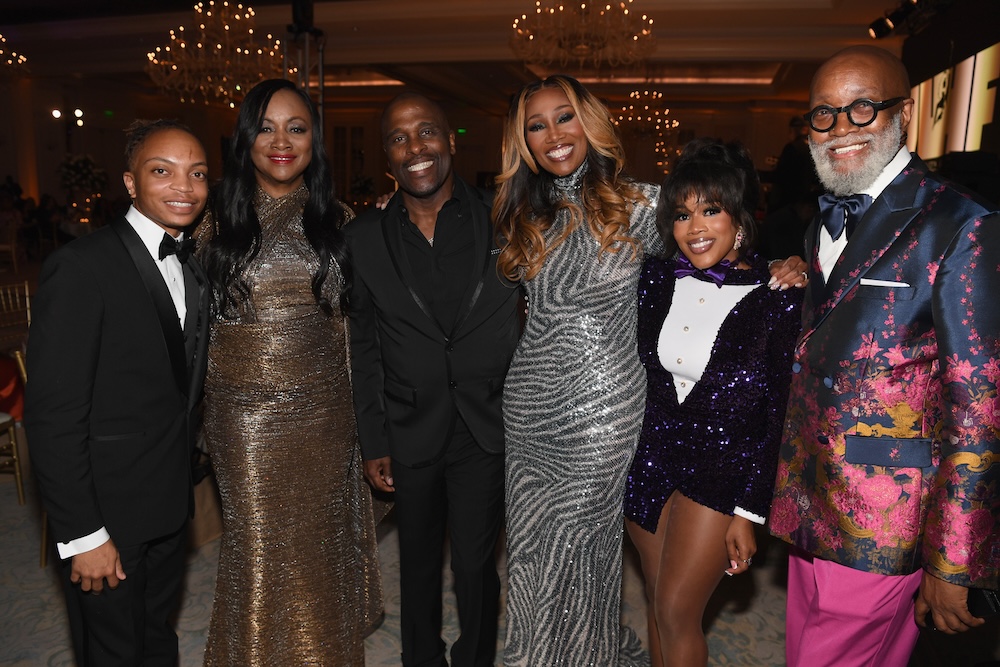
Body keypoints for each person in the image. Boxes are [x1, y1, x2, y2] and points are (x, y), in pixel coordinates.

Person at [492, 75, 807, 666]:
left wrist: (788, 264)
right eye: (537, 125)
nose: (553, 135)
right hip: (528, 414)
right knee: (533, 551)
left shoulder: (643, 205)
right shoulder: (521, 218)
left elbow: (714, 241)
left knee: (583, 552)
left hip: (602, 418)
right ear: (524, 142)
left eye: (565, 118)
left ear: (590, 123)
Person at [769, 45, 1000, 667]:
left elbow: (980, 404)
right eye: (824, 114)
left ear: (905, 111)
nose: (840, 129)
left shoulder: (960, 222)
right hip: (808, 496)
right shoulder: (822, 221)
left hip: (887, 515)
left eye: (862, 109)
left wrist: (955, 557)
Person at [198, 79, 382, 665]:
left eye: (296, 128)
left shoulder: (344, 221)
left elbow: (365, 325)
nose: (282, 141)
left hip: (328, 418)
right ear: (244, 139)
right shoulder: (210, 223)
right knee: (257, 555)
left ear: (314, 141)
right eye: (267, 128)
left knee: (319, 553)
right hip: (243, 421)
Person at [25, 119, 210, 666]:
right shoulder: (81, 267)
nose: (184, 187)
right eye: (163, 171)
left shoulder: (194, 265)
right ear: (130, 183)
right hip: (105, 512)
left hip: (168, 504)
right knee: (111, 652)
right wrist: (83, 534)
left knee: (156, 639)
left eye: (197, 174)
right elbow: (53, 417)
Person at [346, 92, 522, 667]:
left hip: (487, 426)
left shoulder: (507, 218)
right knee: (416, 564)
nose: (414, 147)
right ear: (387, 156)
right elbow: (363, 344)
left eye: (426, 133)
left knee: (474, 566)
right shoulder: (364, 236)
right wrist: (374, 440)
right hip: (407, 428)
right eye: (399, 138)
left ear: (451, 141)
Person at [623, 138, 802, 667]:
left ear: (739, 218)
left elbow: (778, 413)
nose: (695, 226)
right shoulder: (653, 278)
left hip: (721, 470)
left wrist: (749, 510)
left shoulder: (776, 294)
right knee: (659, 605)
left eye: (710, 209)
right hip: (650, 459)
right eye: (681, 214)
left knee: (679, 611)